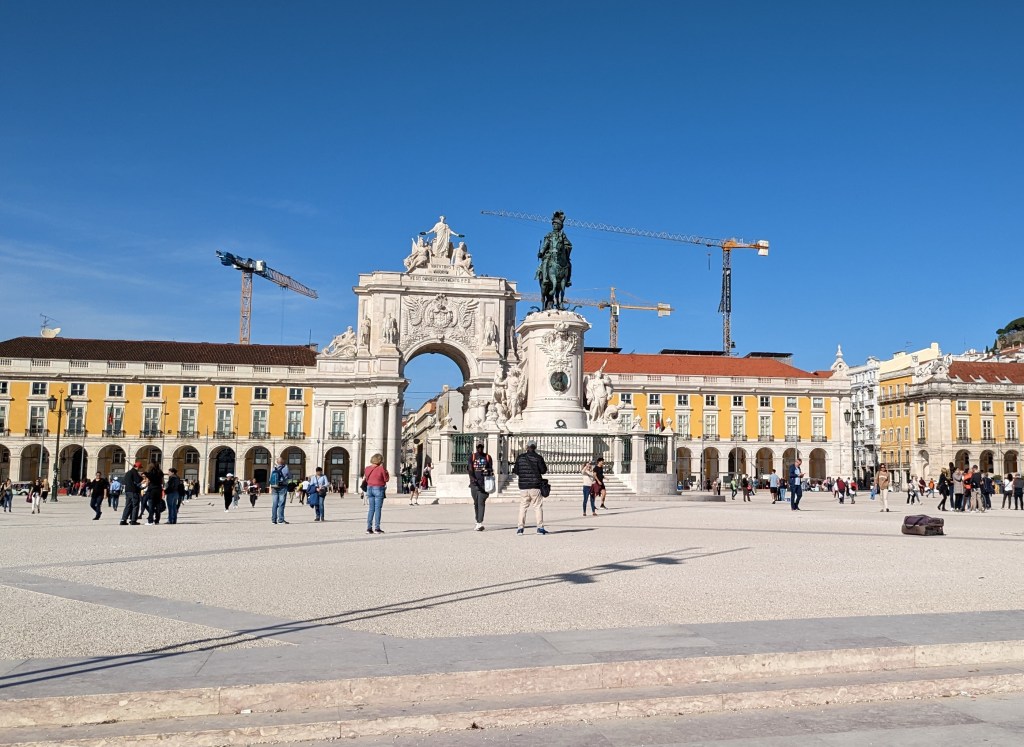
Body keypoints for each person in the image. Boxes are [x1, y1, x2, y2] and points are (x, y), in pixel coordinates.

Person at [512, 439, 548, 534]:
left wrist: (524, 475)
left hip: (523, 486)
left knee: (523, 507)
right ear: (535, 447)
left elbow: (516, 471)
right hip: (535, 485)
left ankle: (520, 528)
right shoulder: (538, 457)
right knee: (537, 507)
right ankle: (540, 528)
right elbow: (543, 470)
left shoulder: (520, 457)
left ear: (527, 447)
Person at [467, 442, 494, 531]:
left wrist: (487, 471)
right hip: (474, 484)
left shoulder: (488, 457)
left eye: (481, 447)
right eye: (478, 447)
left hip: (484, 484)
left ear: (483, 447)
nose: (480, 449)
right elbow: (470, 469)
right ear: (476, 447)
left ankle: (479, 523)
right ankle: (477, 520)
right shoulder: (472, 457)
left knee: (481, 502)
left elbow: (491, 469)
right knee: (476, 503)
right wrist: (472, 478)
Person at [364, 454, 390, 534]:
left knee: (371, 509)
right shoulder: (381, 468)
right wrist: (387, 473)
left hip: (369, 488)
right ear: (380, 460)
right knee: (378, 509)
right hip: (378, 488)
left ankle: (369, 528)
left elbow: (367, 479)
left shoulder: (367, 468)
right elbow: (386, 479)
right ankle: (377, 528)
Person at [269, 456, 290, 525]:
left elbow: (270, 478)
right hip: (282, 487)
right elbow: (289, 476)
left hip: (274, 487)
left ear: (277, 462)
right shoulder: (285, 468)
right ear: (283, 462)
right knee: (281, 503)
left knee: (274, 504)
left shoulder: (273, 468)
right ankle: (280, 520)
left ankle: (273, 520)